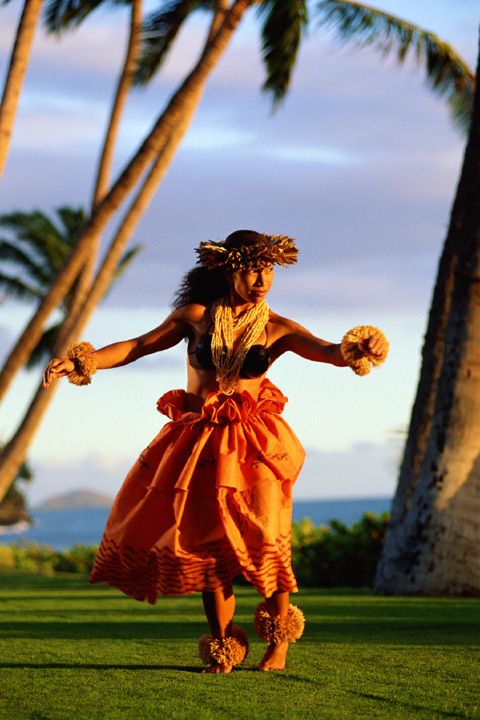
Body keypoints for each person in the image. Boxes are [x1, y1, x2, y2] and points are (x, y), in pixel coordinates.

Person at [43, 229, 389, 674]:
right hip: (199, 440)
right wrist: (81, 361)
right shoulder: (195, 317)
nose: (260, 278)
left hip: (255, 446)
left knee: (266, 542)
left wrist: (359, 348)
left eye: (267, 269)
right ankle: (224, 647)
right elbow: (137, 346)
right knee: (208, 549)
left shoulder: (277, 327)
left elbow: (329, 352)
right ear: (229, 269)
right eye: (250, 269)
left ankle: (278, 644)